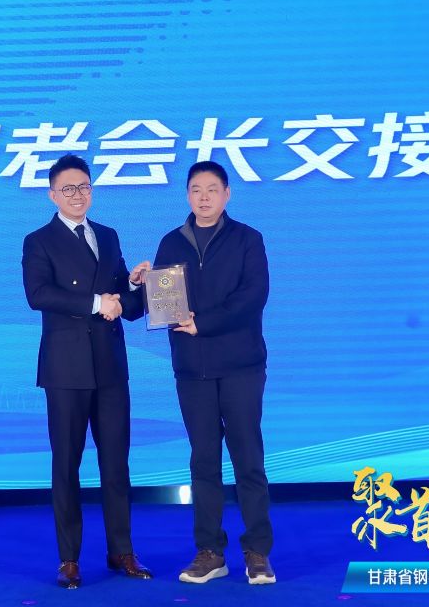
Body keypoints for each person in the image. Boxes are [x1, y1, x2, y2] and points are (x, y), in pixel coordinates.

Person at [135, 160, 276, 585]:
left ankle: (257, 551)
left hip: (241, 367)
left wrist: (205, 323)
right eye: (196, 189)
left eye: (212, 189)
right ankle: (210, 552)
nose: (204, 197)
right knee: (203, 461)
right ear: (187, 195)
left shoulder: (248, 239)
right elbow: (160, 304)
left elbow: (254, 296)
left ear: (227, 194)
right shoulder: (171, 243)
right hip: (192, 369)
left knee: (248, 459)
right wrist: (139, 285)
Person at [22, 154, 153, 589]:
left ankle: (122, 551)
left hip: (110, 366)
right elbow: (38, 295)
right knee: (67, 464)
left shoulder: (108, 235)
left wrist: (135, 285)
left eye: (84, 186)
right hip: (66, 370)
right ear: (52, 195)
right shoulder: (38, 241)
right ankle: (69, 559)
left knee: (116, 463)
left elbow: (125, 306)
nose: (77, 195)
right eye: (68, 188)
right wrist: (98, 303)